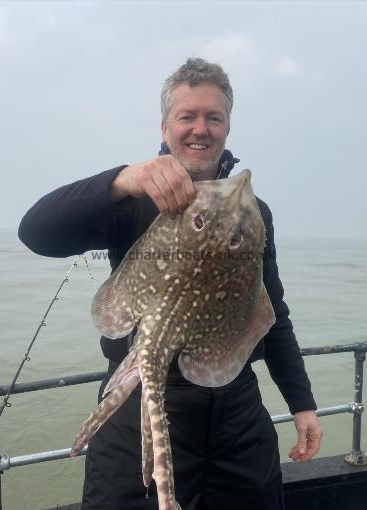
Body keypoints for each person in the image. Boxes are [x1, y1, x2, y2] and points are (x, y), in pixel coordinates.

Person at [19, 58, 322, 509]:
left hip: (236, 415)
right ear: (165, 127)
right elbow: (37, 233)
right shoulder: (131, 201)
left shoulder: (252, 215)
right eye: (187, 116)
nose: (200, 128)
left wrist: (302, 403)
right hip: (142, 395)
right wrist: (123, 180)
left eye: (213, 117)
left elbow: (270, 312)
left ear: (226, 127)